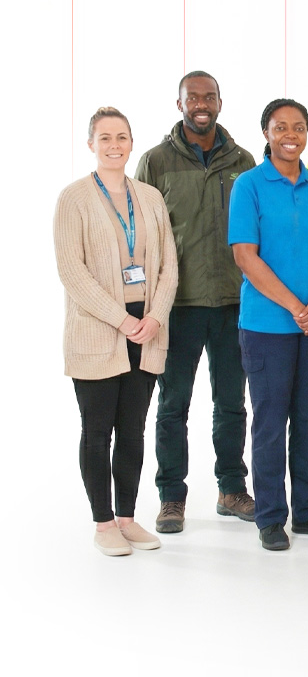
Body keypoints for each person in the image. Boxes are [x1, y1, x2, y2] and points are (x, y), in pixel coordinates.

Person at [135, 70, 256, 534]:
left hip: (233, 303)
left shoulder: (243, 160)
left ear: (220, 103)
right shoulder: (156, 162)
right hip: (177, 306)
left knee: (232, 403)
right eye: (193, 98)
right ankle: (171, 497)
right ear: (179, 103)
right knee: (172, 405)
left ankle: (231, 490)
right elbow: (141, 235)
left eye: (209, 97)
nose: (201, 104)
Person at [54, 107, 178, 556]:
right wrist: (121, 319)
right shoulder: (74, 199)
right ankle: (103, 523)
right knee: (97, 430)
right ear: (91, 144)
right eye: (104, 137)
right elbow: (72, 271)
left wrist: (155, 316)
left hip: (145, 329)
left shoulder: (148, 196)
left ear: (131, 142)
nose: (114, 145)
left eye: (121, 137)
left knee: (133, 430)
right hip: (99, 329)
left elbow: (168, 265)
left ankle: (127, 517)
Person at [229, 98, 308, 552]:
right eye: (281, 127)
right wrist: (298, 306)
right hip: (266, 327)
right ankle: (271, 517)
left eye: (298, 127)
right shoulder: (250, 185)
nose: (290, 135)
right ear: (266, 133)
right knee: (270, 423)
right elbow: (245, 255)